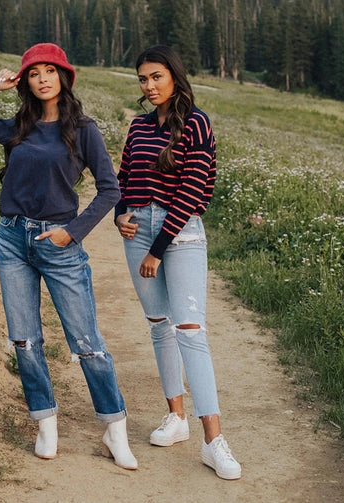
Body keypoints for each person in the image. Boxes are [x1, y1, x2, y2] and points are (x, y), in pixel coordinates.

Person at [0, 42, 137, 470]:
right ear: (26, 82)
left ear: (64, 77)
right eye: (34, 73)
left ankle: (114, 428)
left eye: (50, 71)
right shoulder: (18, 126)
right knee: (25, 340)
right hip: (12, 239)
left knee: (87, 343)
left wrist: (72, 233)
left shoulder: (84, 129)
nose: (43, 78)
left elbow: (111, 189)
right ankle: (45, 424)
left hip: (58, 243)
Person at [114, 45, 242, 480]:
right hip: (139, 231)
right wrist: (120, 215)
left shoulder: (196, 123)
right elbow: (124, 179)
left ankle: (213, 439)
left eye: (156, 77)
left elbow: (194, 190)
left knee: (190, 329)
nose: (149, 86)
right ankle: (177, 417)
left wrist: (156, 249)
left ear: (174, 76)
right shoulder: (138, 127)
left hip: (180, 232)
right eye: (143, 80)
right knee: (158, 324)